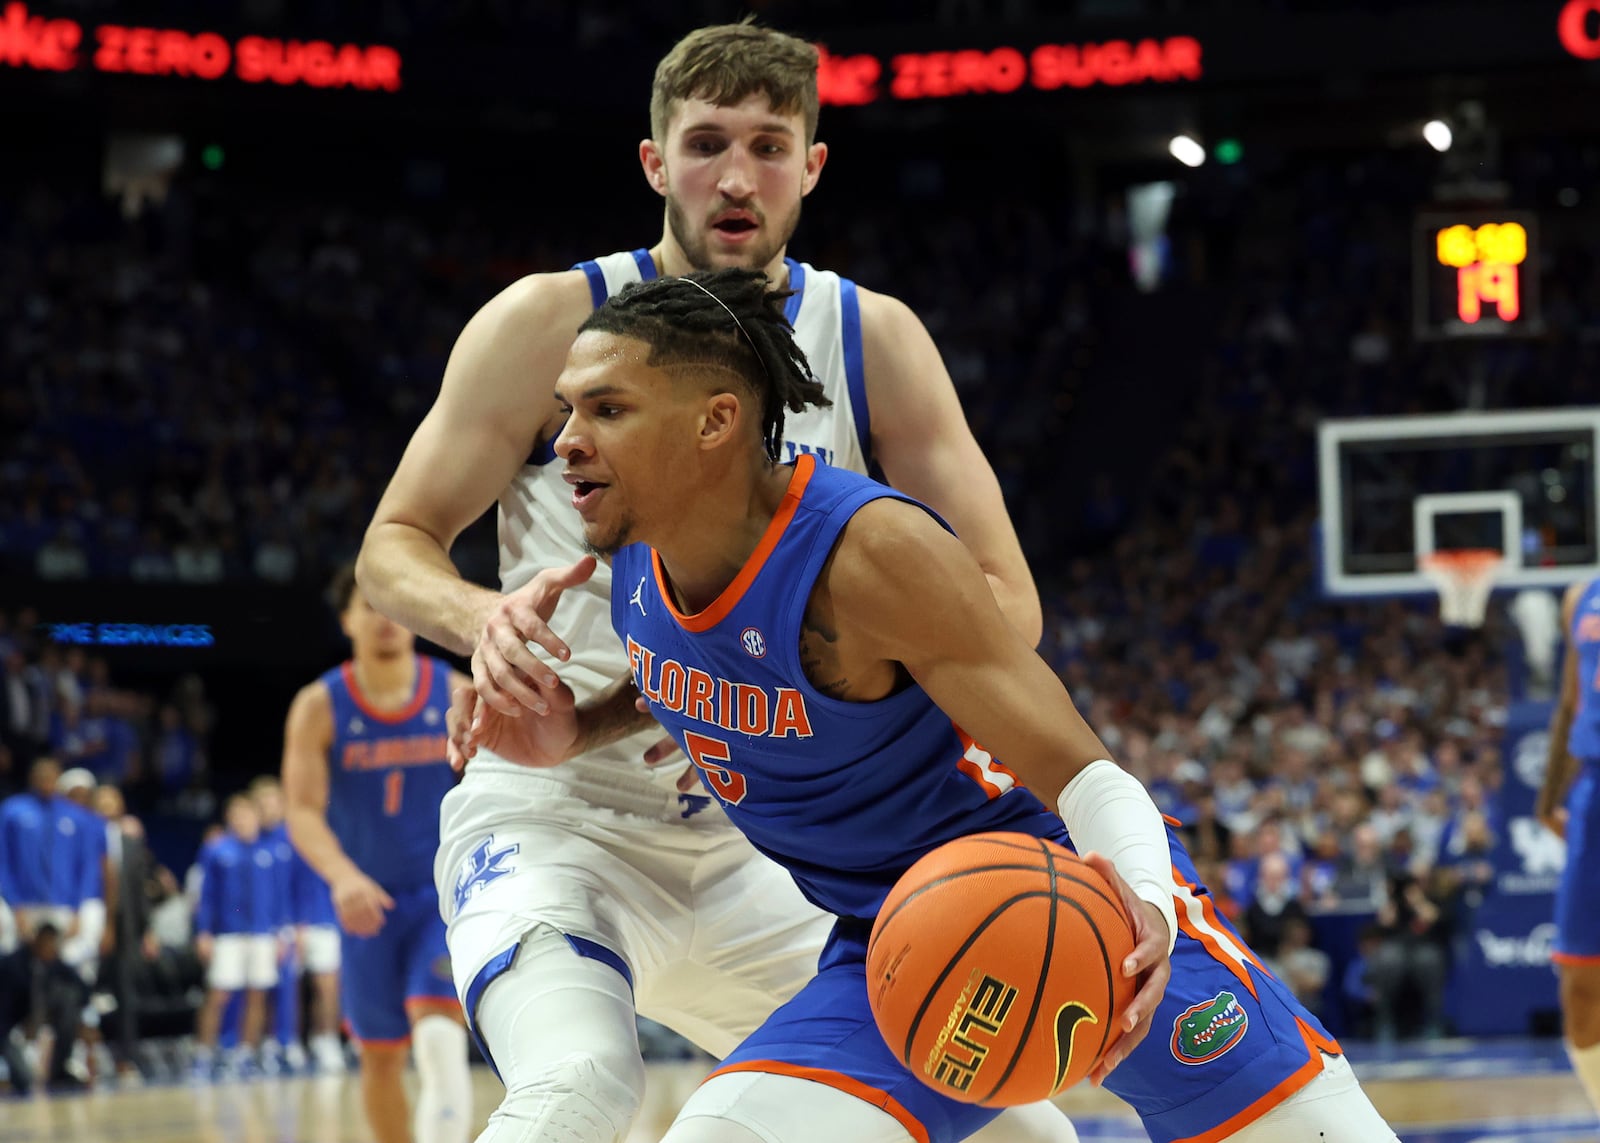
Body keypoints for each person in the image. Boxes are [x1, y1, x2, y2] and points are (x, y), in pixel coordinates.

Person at [452, 270, 1402, 1143]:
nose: (566, 439)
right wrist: (575, 728)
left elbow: (1087, 772)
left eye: (606, 409)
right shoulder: (637, 556)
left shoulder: (870, 556)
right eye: (567, 409)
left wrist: (1147, 907)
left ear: (716, 422)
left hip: (1076, 901)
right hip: (890, 945)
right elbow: (693, 672)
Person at [358, 20, 1075, 1143]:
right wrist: (481, 618)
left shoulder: (870, 336)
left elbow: (1004, 604)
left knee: (1022, 1128)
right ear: (654, 163)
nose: (735, 177)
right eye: (703, 144)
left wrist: (811, 671)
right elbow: (394, 541)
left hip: (774, 846)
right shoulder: (551, 320)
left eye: (768, 145)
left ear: (812, 167)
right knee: (576, 1093)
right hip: (561, 815)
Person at [282, 563, 471, 1143]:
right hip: (366, 906)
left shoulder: (457, 691)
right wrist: (341, 878)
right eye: (369, 605)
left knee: (439, 1034)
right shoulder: (319, 705)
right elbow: (300, 809)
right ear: (346, 620)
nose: (385, 619)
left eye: (395, 606)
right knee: (381, 1057)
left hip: (442, 899)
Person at [1537, 577, 1600, 1115]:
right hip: (1593, 792)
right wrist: (1547, 797)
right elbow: (1569, 701)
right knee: (1580, 978)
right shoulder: (1582, 593)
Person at [192, 793, 279, 1079]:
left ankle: (245, 1053)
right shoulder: (217, 851)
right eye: (238, 816)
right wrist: (203, 931)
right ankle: (203, 1054)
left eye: (249, 815)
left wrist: (282, 932)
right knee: (219, 994)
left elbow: (277, 898)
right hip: (228, 934)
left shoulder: (269, 852)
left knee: (257, 995)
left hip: (261, 933)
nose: (245, 822)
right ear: (230, 819)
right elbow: (205, 896)